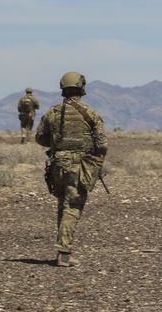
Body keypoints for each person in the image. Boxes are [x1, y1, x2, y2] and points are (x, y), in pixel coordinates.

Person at [35, 72, 108, 267]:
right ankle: (64, 253)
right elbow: (102, 144)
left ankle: (63, 249)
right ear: (81, 87)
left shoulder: (53, 112)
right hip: (79, 166)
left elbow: (40, 138)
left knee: (63, 204)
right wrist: (94, 162)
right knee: (73, 207)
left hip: (58, 165)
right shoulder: (90, 113)